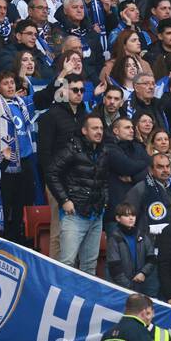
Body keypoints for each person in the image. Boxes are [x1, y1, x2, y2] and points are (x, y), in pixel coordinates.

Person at [47, 114, 111, 273]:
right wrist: (64, 200)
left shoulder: (104, 150)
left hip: (96, 214)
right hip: (75, 214)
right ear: (84, 130)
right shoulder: (72, 148)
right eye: (95, 128)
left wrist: (104, 201)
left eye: (101, 128)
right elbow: (51, 173)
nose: (99, 132)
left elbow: (104, 180)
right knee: (67, 264)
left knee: (90, 266)